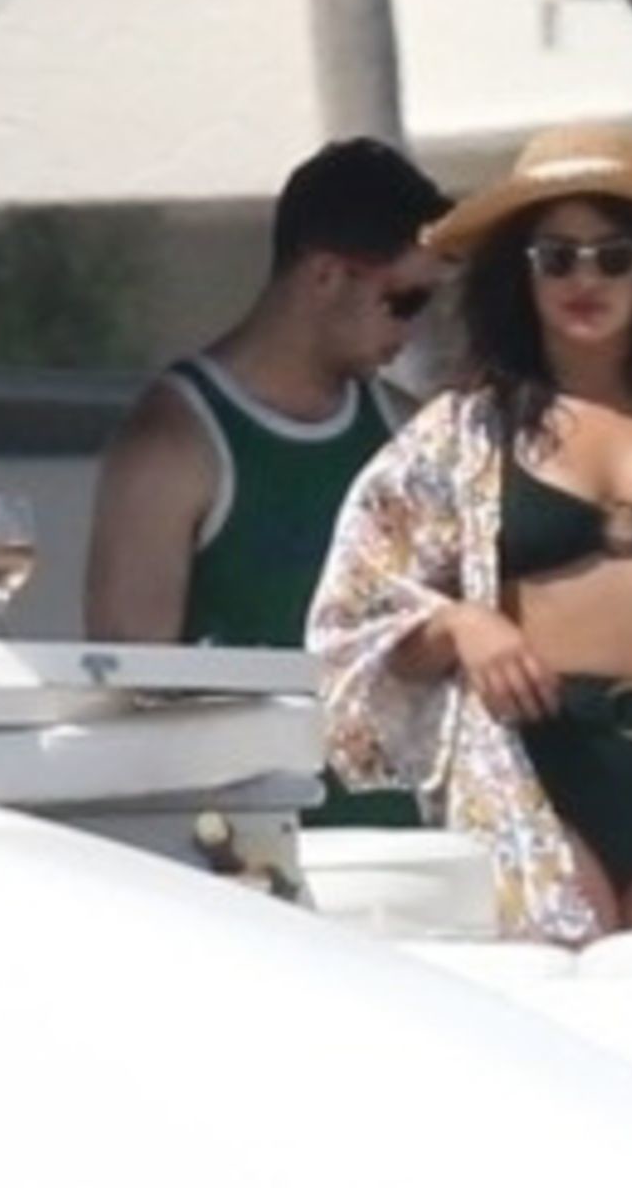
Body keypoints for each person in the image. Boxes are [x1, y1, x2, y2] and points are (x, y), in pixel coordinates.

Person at [306, 123, 632, 942]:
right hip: (531, 769)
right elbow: (354, 614)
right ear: (518, 274)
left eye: (613, 257)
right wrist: (460, 625)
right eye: (555, 257)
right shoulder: (464, 430)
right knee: (550, 1006)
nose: (583, 279)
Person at [86, 137, 451, 828]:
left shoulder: (410, 435)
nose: (412, 329)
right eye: (404, 300)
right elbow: (129, 695)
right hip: (239, 850)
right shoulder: (173, 444)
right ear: (325, 276)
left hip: (395, 846)